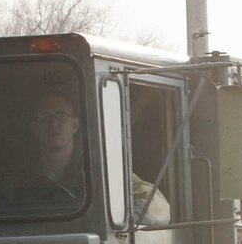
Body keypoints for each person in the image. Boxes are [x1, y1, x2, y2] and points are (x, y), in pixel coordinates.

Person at [24, 88, 170, 224]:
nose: (53, 123)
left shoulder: (101, 171)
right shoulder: (19, 176)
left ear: (75, 125)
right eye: (45, 116)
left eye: (61, 115)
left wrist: (122, 221)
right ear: (34, 127)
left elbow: (157, 204)